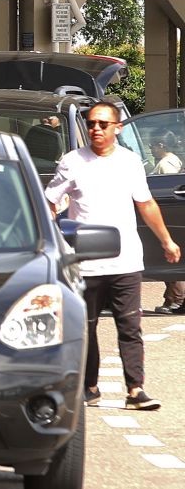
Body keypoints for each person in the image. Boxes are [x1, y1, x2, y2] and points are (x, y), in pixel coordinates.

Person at [45, 101, 181, 410]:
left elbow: (145, 203)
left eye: (103, 124)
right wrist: (50, 236)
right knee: (86, 327)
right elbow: (50, 201)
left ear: (117, 129)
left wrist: (167, 241)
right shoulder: (72, 161)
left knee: (130, 326)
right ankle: (89, 386)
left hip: (126, 260)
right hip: (85, 262)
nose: (96, 128)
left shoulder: (130, 162)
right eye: (92, 123)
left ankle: (136, 389)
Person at [150, 135, 185, 314]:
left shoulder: (166, 164)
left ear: (161, 145)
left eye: (153, 145)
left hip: (167, 214)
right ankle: (172, 297)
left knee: (169, 256)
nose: (151, 150)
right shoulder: (173, 160)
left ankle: (176, 298)